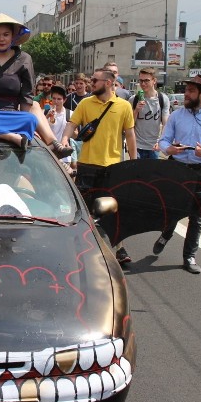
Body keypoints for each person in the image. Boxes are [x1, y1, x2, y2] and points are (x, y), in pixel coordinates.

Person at [0, 13, 73, 158]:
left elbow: (26, 95)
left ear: (13, 36)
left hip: (10, 115)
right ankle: (9, 137)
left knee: (31, 117)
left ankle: (53, 143)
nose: (1, 39)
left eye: (6, 34)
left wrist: (24, 123)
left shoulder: (24, 58)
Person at [61, 68, 137, 265]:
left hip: (113, 166)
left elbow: (129, 135)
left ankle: (119, 249)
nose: (90, 83)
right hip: (87, 165)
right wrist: (64, 139)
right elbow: (71, 123)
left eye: (95, 80)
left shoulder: (124, 106)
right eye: (91, 80)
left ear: (109, 83)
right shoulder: (86, 103)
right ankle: (79, 245)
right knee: (83, 208)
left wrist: (134, 162)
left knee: (113, 210)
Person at [155, 75, 201, 274]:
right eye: (186, 90)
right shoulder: (177, 115)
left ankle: (189, 256)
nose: (186, 94)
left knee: (196, 216)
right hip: (177, 168)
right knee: (172, 209)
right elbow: (163, 140)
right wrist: (169, 149)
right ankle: (166, 233)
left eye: (190, 91)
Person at [133, 67, 170, 159]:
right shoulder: (134, 99)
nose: (143, 84)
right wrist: (136, 110)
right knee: (137, 173)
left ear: (154, 81)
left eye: (146, 81)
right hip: (137, 146)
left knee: (152, 173)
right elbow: (129, 124)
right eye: (141, 81)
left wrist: (161, 142)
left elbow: (165, 124)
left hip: (154, 146)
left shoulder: (163, 99)